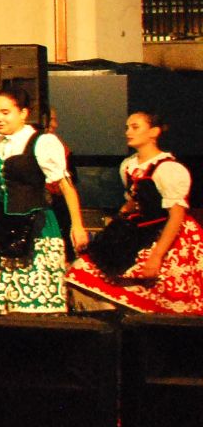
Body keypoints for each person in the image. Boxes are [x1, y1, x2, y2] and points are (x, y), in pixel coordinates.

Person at [0, 86, 85, 317]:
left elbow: (65, 187)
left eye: (5, 112)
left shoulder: (42, 142)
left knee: (31, 304)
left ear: (23, 113)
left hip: (33, 226)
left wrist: (78, 225)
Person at [70, 110, 203, 315]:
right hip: (138, 232)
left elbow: (176, 217)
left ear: (154, 132)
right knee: (85, 270)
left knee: (164, 297)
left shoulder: (169, 169)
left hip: (167, 235)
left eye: (135, 127)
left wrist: (157, 255)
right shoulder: (129, 165)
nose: (128, 132)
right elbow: (132, 203)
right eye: (127, 127)